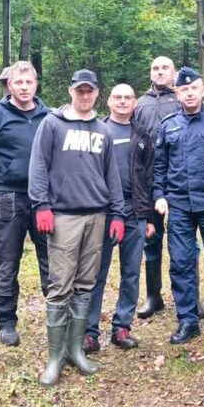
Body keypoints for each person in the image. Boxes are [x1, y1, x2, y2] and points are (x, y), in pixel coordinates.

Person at [29, 69, 125, 387]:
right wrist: (41, 205)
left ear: (97, 93)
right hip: (64, 217)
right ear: (71, 92)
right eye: (80, 91)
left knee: (86, 285)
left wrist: (118, 214)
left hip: (96, 216)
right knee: (60, 286)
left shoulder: (103, 131)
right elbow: (38, 165)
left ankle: (75, 349)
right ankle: (55, 357)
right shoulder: (52, 124)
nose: (85, 96)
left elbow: (112, 175)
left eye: (90, 91)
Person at [153, 67, 204, 349]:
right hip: (179, 206)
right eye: (183, 89)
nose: (189, 93)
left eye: (194, 88)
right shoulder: (168, 125)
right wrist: (159, 195)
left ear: (203, 90)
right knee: (181, 264)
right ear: (177, 93)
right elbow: (159, 166)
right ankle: (188, 320)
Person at [0, 60, 50, 347]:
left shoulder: (48, 116)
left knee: (50, 260)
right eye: (18, 82)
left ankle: (57, 316)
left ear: (35, 84)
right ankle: (6, 322)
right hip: (8, 198)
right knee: (7, 262)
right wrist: (4, 182)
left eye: (28, 82)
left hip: (42, 199)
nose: (24, 87)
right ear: (9, 86)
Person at [84, 84, 156, 352]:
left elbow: (149, 177)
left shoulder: (143, 135)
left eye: (128, 97)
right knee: (96, 273)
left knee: (130, 273)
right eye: (118, 97)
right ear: (109, 101)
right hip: (102, 212)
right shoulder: (96, 131)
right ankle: (89, 331)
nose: (123, 101)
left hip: (134, 211)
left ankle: (122, 326)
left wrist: (149, 218)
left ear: (135, 102)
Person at [133, 56, 181, 319]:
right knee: (151, 240)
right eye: (155, 68)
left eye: (164, 68)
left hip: (180, 181)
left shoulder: (183, 97)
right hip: (149, 182)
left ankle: (188, 296)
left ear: (173, 73)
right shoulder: (140, 104)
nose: (160, 72)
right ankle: (153, 295)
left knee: (185, 243)